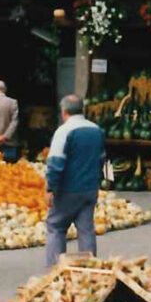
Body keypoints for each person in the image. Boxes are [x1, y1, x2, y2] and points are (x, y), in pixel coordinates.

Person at [44, 94, 106, 265]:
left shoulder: (64, 131)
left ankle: (56, 269)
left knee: (56, 227)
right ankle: (90, 268)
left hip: (68, 190)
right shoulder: (96, 130)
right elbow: (102, 159)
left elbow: (56, 164)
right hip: (90, 189)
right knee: (86, 230)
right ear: (82, 110)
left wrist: (50, 188)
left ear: (63, 111)